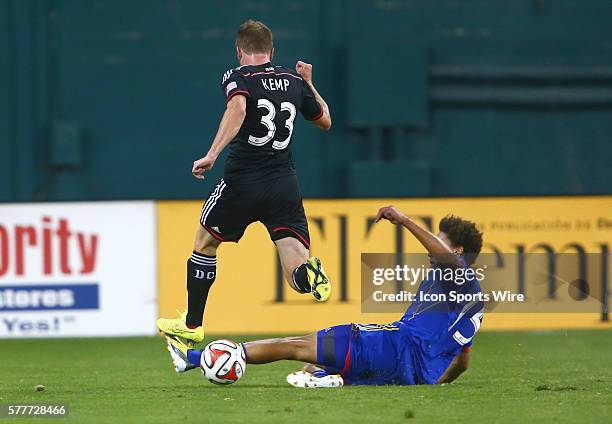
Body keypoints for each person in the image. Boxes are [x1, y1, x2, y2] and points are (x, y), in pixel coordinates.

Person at [163, 206, 485, 387]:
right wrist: (436, 384)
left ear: (456, 250)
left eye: (439, 241)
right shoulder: (474, 301)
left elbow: (446, 260)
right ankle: (324, 379)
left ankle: (191, 359)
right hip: (407, 374)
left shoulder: (460, 277)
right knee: (318, 360)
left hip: (391, 345)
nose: (432, 248)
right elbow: (464, 361)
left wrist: (404, 221)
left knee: (296, 345)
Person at [156, 20, 333, 344]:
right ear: (272, 50)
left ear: (239, 50)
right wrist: (309, 83)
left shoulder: (238, 76)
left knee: (205, 242)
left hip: (243, 182)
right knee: (295, 266)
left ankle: (193, 325)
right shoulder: (293, 79)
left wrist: (212, 154)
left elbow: (238, 108)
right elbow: (324, 120)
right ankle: (310, 276)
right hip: (284, 185)